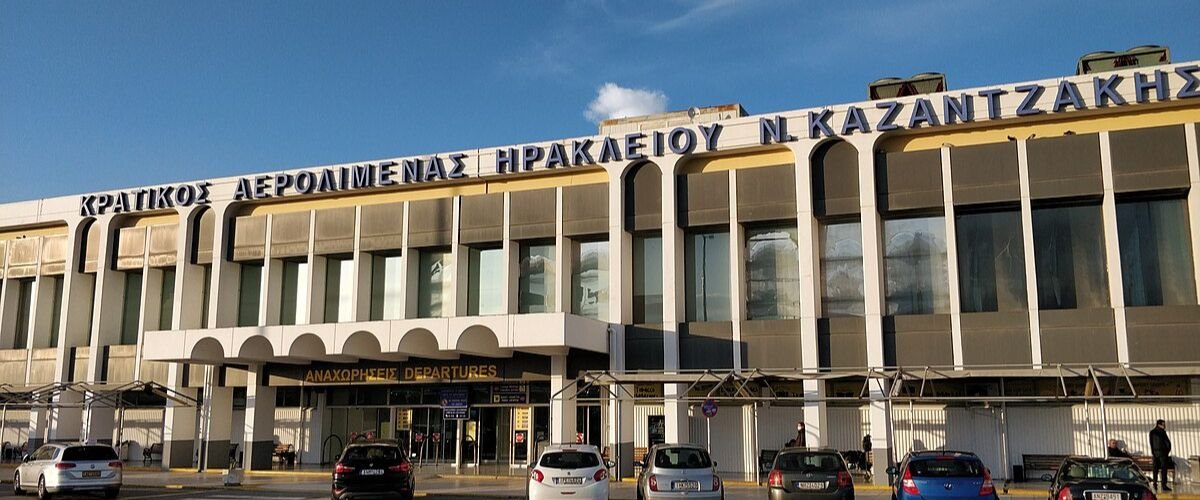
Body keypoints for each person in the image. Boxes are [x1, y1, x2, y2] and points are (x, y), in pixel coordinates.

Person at [1149, 419, 1172, 491]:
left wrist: (1153, 452)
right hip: (1162, 453)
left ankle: (1156, 483)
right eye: (1163, 424)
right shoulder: (1160, 432)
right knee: (1163, 469)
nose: (1165, 426)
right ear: (1159, 424)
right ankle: (1163, 485)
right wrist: (1166, 451)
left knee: (1156, 469)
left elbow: (1151, 443)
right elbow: (1167, 443)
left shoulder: (1152, 432)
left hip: (1157, 453)